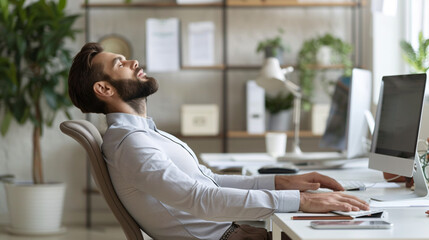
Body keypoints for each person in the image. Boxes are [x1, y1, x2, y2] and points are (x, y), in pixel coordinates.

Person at [68, 42, 369, 240]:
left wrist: (283, 183)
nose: (134, 61)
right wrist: (302, 201)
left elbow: (207, 181)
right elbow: (201, 200)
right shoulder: (130, 145)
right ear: (104, 89)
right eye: (120, 63)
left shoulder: (142, 134)